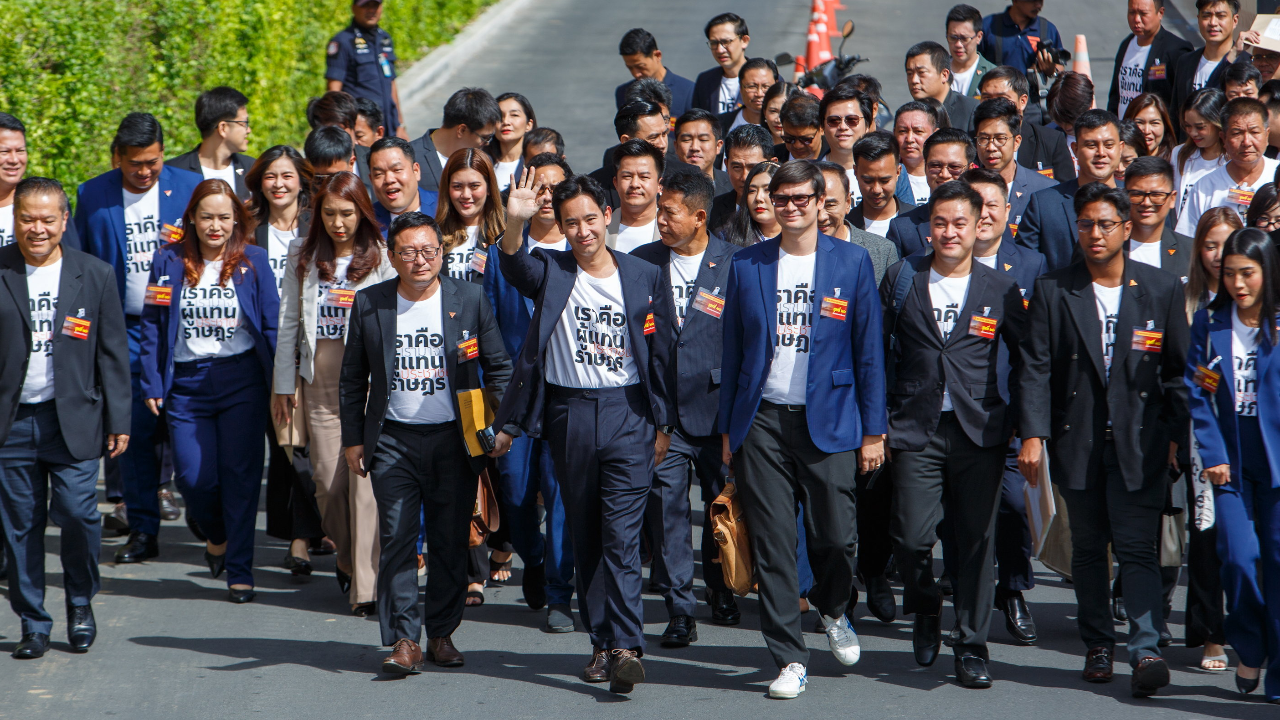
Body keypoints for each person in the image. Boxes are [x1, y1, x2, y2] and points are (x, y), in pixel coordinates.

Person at [494, 173, 675, 695]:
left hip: (628, 415)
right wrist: (516, 219)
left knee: (621, 536)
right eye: (570, 222)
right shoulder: (551, 271)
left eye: (590, 219)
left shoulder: (643, 275)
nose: (581, 231)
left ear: (608, 216)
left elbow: (660, 355)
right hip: (569, 415)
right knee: (587, 533)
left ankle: (625, 647)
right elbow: (512, 264)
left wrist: (662, 423)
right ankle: (602, 642)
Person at [719, 159, 886, 699]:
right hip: (762, 420)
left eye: (801, 199)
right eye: (780, 198)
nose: (790, 207)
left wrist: (873, 431)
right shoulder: (746, 264)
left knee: (836, 535)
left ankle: (835, 609)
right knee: (772, 542)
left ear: (821, 202)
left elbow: (869, 353)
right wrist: (729, 429)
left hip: (832, 419)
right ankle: (789, 658)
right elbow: (733, 350)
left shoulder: (852, 262)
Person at [1019, 182, 1188, 697]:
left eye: (1105, 224)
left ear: (1127, 228)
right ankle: (1098, 644)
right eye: (1086, 224)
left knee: (1137, 548)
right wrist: (1032, 435)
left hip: (1142, 442)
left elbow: (1178, 373)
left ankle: (1145, 650)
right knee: (1089, 549)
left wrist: (1179, 439)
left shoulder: (1160, 288)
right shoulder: (1055, 289)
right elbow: (1035, 368)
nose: (1095, 233)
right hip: (1078, 440)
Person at [339, 210, 512, 673]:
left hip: (454, 441)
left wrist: (504, 427)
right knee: (396, 537)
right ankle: (403, 640)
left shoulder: (469, 299)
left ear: (442, 252)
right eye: (408, 251)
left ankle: (441, 633)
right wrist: (353, 439)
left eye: (429, 250)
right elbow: (353, 377)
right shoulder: (370, 303)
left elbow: (499, 367)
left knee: (450, 540)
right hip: (392, 440)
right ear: (392, 257)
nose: (420, 260)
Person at [880, 179, 1026, 688]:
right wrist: (875, 428)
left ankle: (970, 645)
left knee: (975, 543)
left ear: (979, 224)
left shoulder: (1000, 288)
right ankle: (925, 609)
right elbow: (876, 356)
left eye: (959, 222)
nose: (949, 231)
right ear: (927, 229)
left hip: (979, 430)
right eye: (939, 222)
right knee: (912, 536)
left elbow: (1028, 361)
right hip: (914, 427)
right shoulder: (901, 277)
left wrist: (1028, 431)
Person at [0, 177, 130, 659]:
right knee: (20, 526)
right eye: (27, 219)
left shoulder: (93, 275)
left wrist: (120, 419)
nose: (37, 229)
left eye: (47, 219)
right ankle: (33, 622)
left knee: (78, 513)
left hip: (72, 420)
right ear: (15, 220)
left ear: (63, 221)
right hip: (11, 424)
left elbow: (113, 354)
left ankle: (80, 603)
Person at [139, 179, 278, 603]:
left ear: (236, 217)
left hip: (242, 381)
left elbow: (272, 324)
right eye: (206, 217)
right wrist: (151, 380)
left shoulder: (254, 260)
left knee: (240, 477)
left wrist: (282, 385)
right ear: (192, 220)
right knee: (194, 478)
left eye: (223, 216)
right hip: (186, 384)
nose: (215, 225)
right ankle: (216, 537)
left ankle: (239, 569)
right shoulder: (167, 260)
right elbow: (151, 324)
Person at [76, 113, 202, 563]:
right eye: (134, 164)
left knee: (190, 432)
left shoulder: (188, 188)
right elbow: (83, 264)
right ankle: (142, 529)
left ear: (163, 153)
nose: (144, 171)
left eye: (152, 162)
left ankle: (210, 525)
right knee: (134, 436)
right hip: (125, 330)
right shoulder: (93, 194)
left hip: (183, 328)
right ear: (117, 158)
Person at [626, 170, 741, 642]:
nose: (659, 221)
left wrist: (737, 425)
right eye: (658, 210)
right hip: (663, 417)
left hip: (717, 416)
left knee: (719, 507)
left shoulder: (736, 264)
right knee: (668, 515)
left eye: (669, 212)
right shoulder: (641, 263)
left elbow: (746, 347)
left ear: (699, 216)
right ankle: (680, 609)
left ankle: (722, 588)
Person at [272, 171, 394, 613]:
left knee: (364, 485)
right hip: (317, 384)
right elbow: (288, 322)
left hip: (365, 385)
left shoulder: (381, 257)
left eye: (346, 214)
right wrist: (283, 383)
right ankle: (347, 555)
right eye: (329, 214)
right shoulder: (301, 255)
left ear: (362, 213)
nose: (338, 223)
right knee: (326, 483)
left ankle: (367, 588)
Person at [481, 157, 578, 632]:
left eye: (555, 187)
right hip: (513, 398)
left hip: (565, 394)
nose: (545, 195)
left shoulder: (581, 252)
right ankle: (532, 557)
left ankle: (560, 593)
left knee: (561, 497)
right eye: (537, 186)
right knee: (517, 499)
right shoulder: (503, 253)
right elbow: (489, 324)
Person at [1185, 226, 1280, 700]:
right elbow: (1199, 395)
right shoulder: (1209, 323)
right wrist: (1215, 454)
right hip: (1231, 463)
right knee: (1238, 560)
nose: (1238, 285)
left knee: (1279, 567)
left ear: (1268, 273)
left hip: (1277, 461)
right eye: (1229, 275)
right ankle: (1249, 646)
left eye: (1248, 274)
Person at [244, 145, 324, 568]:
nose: (278, 184)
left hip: (313, 351)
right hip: (263, 353)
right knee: (284, 447)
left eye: (287, 176)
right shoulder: (248, 227)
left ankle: (307, 533)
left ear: (301, 180)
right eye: (271, 176)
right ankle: (299, 536)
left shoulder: (318, 224)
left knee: (310, 450)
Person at [1182, 206, 1240, 672]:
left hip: (1257, 440)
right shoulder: (1190, 307)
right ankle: (1210, 634)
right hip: (1204, 441)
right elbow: (1193, 385)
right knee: (1206, 540)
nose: (1219, 256)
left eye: (1228, 244)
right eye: (1210, 245)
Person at [1019, 109, 1125, 270]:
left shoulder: (1136, 201)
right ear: (1075, 149)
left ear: (1121, 148)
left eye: (1109, 145)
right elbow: (1026, 267)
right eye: (1091, 145)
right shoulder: (1043, 205)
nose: (1101, 153)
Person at [1176, 97, 1279, 235]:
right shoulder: (1204, 188)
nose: (1246, 142)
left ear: (1267, 135)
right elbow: (1186, 241)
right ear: (1223, 138)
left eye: (1254, 132)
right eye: (1237, 133)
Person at [973, 98, 1058, 243]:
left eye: (1000, 139)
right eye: (984, 138)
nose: (991, 147)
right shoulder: (964, 188)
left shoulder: (1045, 190)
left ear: (1016, 142)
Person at [887, 128, 977, 258]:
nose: (944, 174)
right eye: (935, 165)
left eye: (954, 167)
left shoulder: (983, 221)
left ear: (970, 169)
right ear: (925, 167)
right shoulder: (903, 228)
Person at [325, 0, 407, 139]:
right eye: (365, 6)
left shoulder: (384, 38)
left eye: (375, 5)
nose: (371, 10)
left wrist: (400, 125)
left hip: (389, 126)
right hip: (361, 131)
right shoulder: (343, 42)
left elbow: (391, 83)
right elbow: (333, 90)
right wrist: (338, 130)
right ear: (353, 8)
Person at [978, 66, 1076, 181]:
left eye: (1002, 98)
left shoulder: (1050, 141)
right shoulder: (971, 142)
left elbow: (1066, 191)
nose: (994, 105)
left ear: (1023, 101)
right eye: (987, 98)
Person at [166, 87, 256, 201]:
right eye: (244, 123)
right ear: (223, 128)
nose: (248, 130)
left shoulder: (253, 170)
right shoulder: (173, 172)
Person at [815, 161, 898, 283]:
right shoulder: (786, 251)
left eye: (830, 205)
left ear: (848, 202)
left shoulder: (882, 251)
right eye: (815, 205)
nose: (821, 217)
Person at [1170, 0, 1246, 132]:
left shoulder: (1246, 64)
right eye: (1206, 16)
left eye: (1220, 16)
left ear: (1235, 20)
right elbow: (1175, 115)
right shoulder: (1185, 62)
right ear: (1198, 19)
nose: (1213, 23)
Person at [1109, 0, 1194, 117]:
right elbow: (1115, 95)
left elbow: (1184, 100)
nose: (1137, 19)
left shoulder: (1176, 49)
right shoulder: (1126, 44)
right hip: (1125, 131)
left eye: (1143, 14)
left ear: (1160, 13)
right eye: (1132, 12)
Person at [408, 87, 501, 194]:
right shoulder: (409, 157)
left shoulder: (482, 160)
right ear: (462, 130)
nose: (487, 143)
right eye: (485, 138)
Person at [437, 148, 504, 285]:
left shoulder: (507, 230)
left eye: (474, 186)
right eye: (457, 186)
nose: (466, 195)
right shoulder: (435, 233)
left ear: (489, 188)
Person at [1125, 157, 1192, 279]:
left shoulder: (1190, 251)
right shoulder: (1109, 246)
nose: (1146, 203)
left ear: (1172, 199)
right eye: (1137, 194)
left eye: (1156, 195)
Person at [711, 124, 775, 235]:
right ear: (726, 165)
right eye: (737, 167)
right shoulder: (712, 211)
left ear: (772, 164)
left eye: (753, 168)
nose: (745, 177)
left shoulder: (789, 210)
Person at [614, 28, 695, 116]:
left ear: (657, 55)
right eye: (630, 68)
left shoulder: (688, 91)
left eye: (640, 66)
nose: (636, 74)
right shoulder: (623, 93)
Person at [850, 131, 916, 238]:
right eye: (868, 181)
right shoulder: (846, 226)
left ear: (898, 172)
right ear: (855, 172)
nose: (876, 190)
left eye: (884, 181)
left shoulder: (918, 221)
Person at [1173, 89, 1228, 217]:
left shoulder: (1233, 159)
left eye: (1200, 127)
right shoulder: (1179, 154)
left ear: (1218, 123)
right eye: (1187, 126)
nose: (1192, 133)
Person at [818, 86, 875, 205]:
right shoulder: (810, 174)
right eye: (833, 120)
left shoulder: (890, 173)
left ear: (867, 126)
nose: (843, 127)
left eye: (852, 120)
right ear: (822, 127)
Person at [370, 136, 439, 234]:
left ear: (416, 171)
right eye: (379, 174)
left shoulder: (445, 207)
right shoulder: (366, 221)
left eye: (397, 170)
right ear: (371, 179)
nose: (389, 180)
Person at [307, 91, 374, 190]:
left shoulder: (373, 160)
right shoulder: (305, 170)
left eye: (339, 129)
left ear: (352, 126)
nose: (335, 137)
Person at [906, 41, 979, 133]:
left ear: (944, 75)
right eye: (909, 74)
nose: (914, 80)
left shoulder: (970, 110)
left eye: (921, 72)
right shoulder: (909, 113)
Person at [978, 0, 1064, 75]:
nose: (1038, 5)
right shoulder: (988, 27)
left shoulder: (1048, 29)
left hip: (1035, 93)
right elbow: (974, 62)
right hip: (998, 91)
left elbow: (1060, 67)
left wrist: (1051, 71)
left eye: (1041, 0)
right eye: (1032, 0)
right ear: (1015, 1)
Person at [607, 140, 663, 253]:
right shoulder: (599, 230)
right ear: (615, 183)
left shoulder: (673, 230)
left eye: (644, 177)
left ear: (659, 185)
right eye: (627, 176)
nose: (635, 184)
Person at [693, 13, 751, 115]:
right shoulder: (705, 81)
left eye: (726, 42)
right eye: (714, 43)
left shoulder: (766, 78)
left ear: (744, 41)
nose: (720, 50)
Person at [894, 101, 941, 208]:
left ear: (935, 134)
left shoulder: (948, 175)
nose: (909, 139)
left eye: (918, 131)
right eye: (902, 131)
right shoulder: (887, 178)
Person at [673, 109, 730, 194]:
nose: (695, 147)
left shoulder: (733, 185)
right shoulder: (662, 185)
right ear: (676, 146)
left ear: (718, 146)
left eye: (703, 139)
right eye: (686, 140)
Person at [724, 161, 780, 247]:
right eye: (752, 191)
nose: (758, 198)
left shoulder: (800, 237)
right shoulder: (727, 236)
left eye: (767, 190)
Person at [947, 5, 997, 100]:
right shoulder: (937, 71)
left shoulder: (992, 74)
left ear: (979, 37)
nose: (958, 44)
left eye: (964, 39)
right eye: (953, 38)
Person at [718, 58, 777, 136]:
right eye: (752, 86)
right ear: (740, 88)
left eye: (766, 86)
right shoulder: (720, 124)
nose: (759, 94)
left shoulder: (784, 127)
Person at [490, 93, 536, 193]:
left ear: (529, 124)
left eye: (514, 115)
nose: (506, 121)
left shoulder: (536, 164)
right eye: (499, 116)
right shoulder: (481, 162)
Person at [1125, 93, 1177, 161]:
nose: (1147, 131)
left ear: (1165, 126)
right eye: (1139, 122)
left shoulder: (1176, 163)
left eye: (1154, 123)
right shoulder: (1118, 166)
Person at [777, 94, 824, 162]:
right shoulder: (772, 157)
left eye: (805, 139)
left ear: (822, 128)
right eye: (789, 139)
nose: (797, 146)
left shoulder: (837, 157)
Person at [763, 82, 803, 148]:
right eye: (773, 111)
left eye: (785, 111)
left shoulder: (806, 148)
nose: (778, 120)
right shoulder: (754, 146)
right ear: (765, 112)